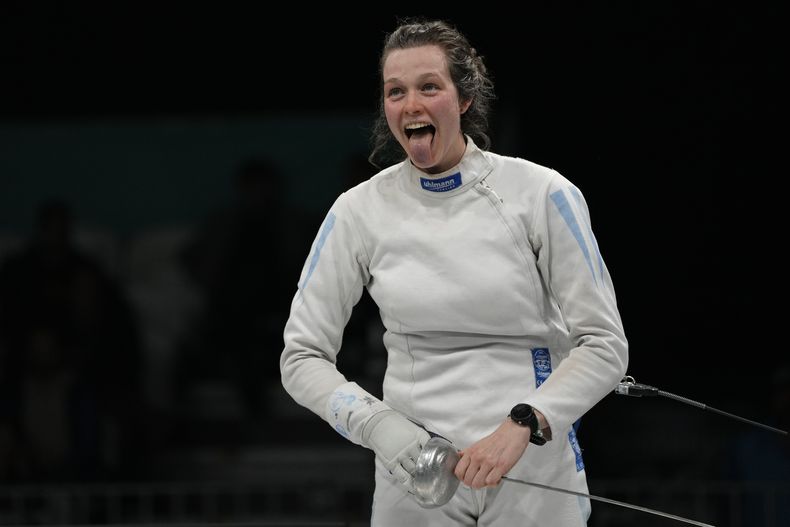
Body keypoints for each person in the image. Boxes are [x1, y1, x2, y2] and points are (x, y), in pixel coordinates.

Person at [280, 18, 628, 526]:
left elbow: (604, 344)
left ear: (463, 99)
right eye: (395, 92)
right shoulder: (358, 211)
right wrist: (380, 428)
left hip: (533, 468)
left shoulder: (541, 194)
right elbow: (301, 356)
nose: (411, 105)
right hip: (415, 476)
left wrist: (522, 425)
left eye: (429, 87)